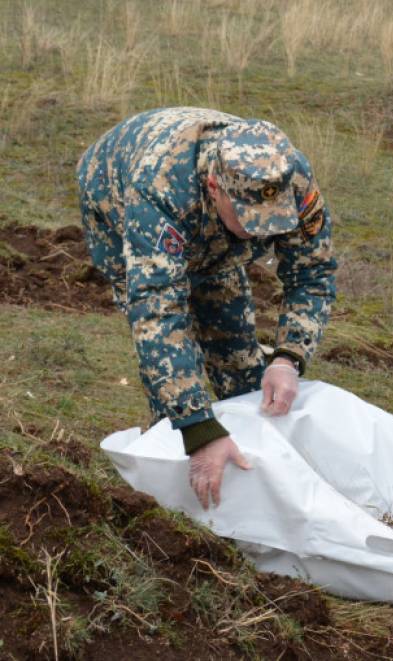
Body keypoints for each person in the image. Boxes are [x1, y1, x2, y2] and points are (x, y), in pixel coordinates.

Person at [77, 107, 337, 511]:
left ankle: (256, 482)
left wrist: (288, 357)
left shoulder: (290, 178)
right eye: (250, 218)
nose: (261, 231)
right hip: (113, 193)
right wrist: (198, 429)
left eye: (272, 220)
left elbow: (313, 274)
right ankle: (174, 487)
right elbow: (158, 312)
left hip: (207, 228)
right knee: (175, 388)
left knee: (241, 363)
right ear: (216, 186)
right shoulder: (158, 190)